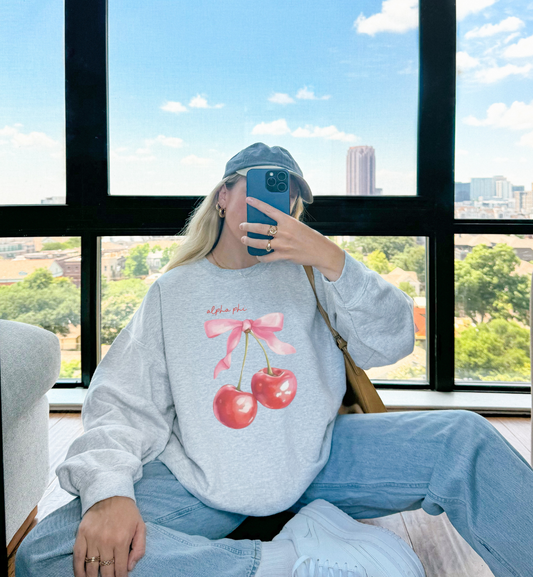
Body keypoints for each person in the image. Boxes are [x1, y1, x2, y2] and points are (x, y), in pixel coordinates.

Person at [15, 143, 533, 577]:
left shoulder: (312, 273)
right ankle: (286, 562)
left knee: (464, 438)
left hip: (321, 461)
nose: (275, 204)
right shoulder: (173, 292)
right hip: (200, 480)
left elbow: (395, 340)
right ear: (223, 197)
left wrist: (331, 258)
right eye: (262, 187)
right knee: (51, 552)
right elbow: (122, 400)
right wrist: (108, 491)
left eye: (287, 195)